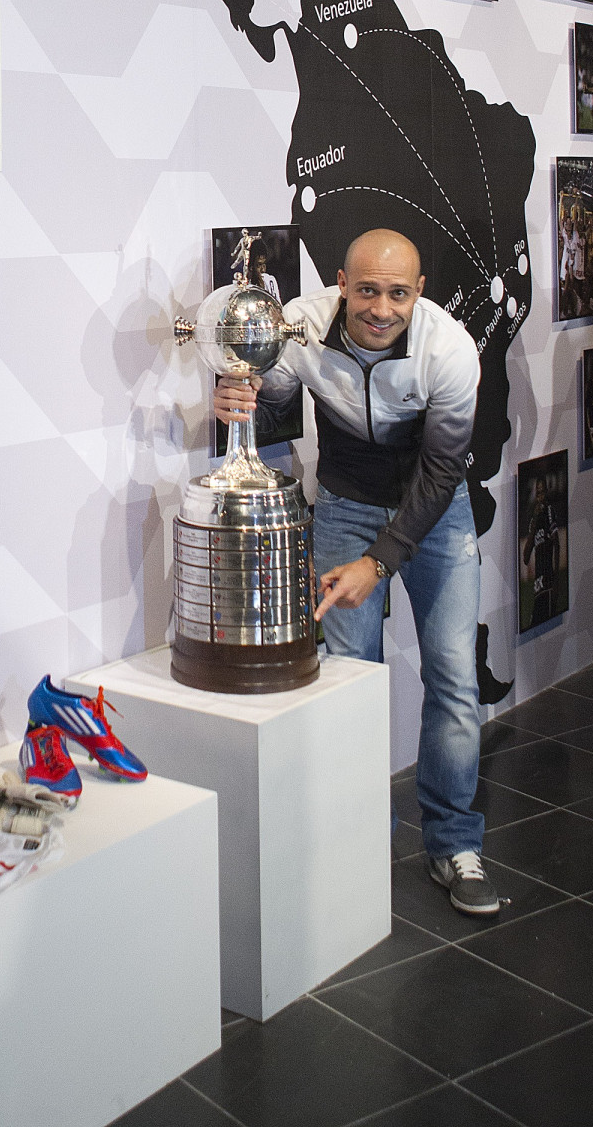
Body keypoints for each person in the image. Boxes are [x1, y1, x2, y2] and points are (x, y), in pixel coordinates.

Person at [214, 228, 495, 916]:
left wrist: (379, 561)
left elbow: (441, 471)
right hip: (342, 505)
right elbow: (271, 399)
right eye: (367, 289)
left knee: (455, 675)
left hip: (436, 512)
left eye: (397, 293)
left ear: (418, 293)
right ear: (342, 282)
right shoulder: (301, 327)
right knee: (347, 681)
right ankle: (355, 841)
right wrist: (234, 395)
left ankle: (455, 844)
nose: (380, 307)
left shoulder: (450, 349)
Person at [523, 477, 561, 629]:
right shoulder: (534, 520)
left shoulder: (549, 511)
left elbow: (556, 543)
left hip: (549, 580)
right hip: (537, 586)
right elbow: (525, 558)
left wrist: (556, 577)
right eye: (538, 493)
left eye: (543, 492)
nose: (540, 497)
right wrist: (533, 529)